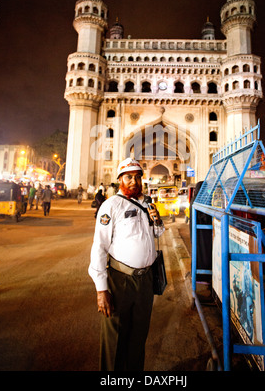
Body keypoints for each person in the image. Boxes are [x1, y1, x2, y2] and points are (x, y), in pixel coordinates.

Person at [88, 158, 164, 371]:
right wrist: (101, 289)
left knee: (138, 337)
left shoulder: (147, 202)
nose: (134, 181)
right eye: (129, 177)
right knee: (115, 339)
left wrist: (157, 220)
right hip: (120, 281)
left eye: (137, 177)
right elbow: (99, 247)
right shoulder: (111, 205)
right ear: (120, 179)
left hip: (146, 280)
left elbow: (157, 233)